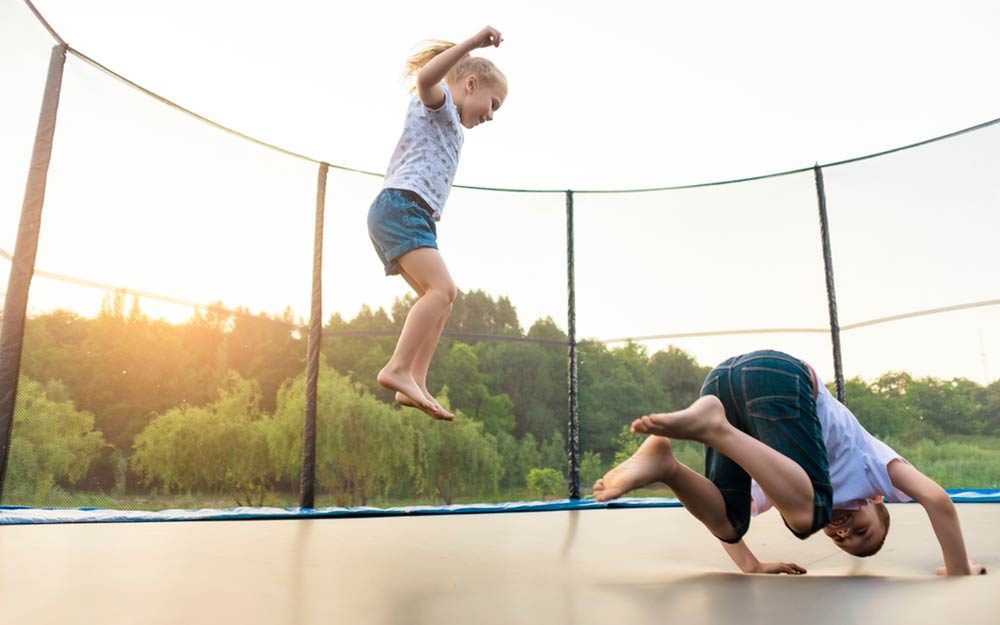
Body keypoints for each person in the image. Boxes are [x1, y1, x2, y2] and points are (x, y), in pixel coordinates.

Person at [594, 349, 986, 576]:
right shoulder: (873, 469)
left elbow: (726, 521)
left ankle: (665, 465)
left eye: (839, 540)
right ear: (877, 502)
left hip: (721, 382)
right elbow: (937, 500)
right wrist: (958, 569)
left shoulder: (780, 483)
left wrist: (751, 564)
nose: (844, 532)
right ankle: (714, 427)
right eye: (862, 531)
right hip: (777, 376)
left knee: (732, 520)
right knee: (805, 517)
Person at [368, 26, 507, 421]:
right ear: (471, 82)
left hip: (413, 214)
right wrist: (473, 42)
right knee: (442, 289)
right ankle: (397, 368)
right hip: (401, 206)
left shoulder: (452, 125)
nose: (491, 115)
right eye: (492, 103)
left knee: (443, 298)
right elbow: (426, 77)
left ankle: (414, 380)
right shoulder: (439, 102)